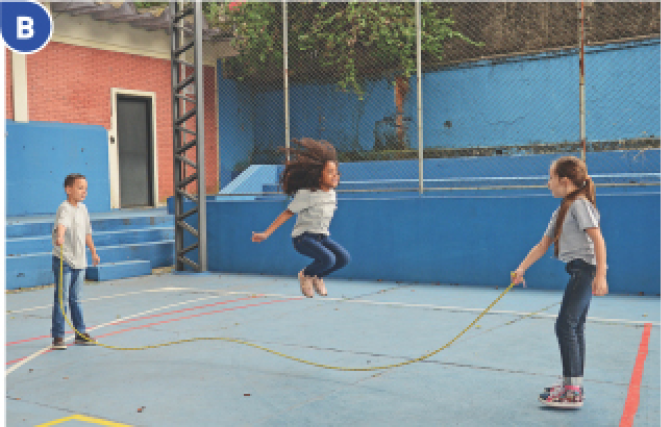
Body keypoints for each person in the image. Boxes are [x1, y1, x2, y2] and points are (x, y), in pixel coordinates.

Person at [512, 156, 608, 408]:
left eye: (550, 178)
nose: (548, 183)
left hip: (585, 271)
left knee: (565, 326)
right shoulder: (562, 209)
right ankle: (571, 383)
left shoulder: (579, 204)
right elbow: (543, 244)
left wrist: (600, 275)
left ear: (564, 181)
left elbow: (598, 239)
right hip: (579, 271)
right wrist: (521, 268)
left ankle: (572, 391)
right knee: (573, 328)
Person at [252, 138, 350, 297]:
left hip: (322, 238)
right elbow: (287, 213)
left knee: (343, 259)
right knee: (329, 259)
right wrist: (266, 233)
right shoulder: (307, 194)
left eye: (336, 172)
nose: (335, 175)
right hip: (303, 239)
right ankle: (305, 275)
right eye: (330, 172)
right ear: (319, 176)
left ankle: (317, 276)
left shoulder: (332, 194)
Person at [51, 173, 100, 349]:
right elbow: (62, 225)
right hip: (64, 260)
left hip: (80, 261)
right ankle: (58, 336)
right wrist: (60, 236)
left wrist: (93, 252)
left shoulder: (84, 209)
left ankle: (80, 333)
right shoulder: (64, 208)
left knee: (76, 299)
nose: (83, 192)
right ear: (68, 189)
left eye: (85, 189)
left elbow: (87, 233)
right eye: (80, 188)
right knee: (61, 299)